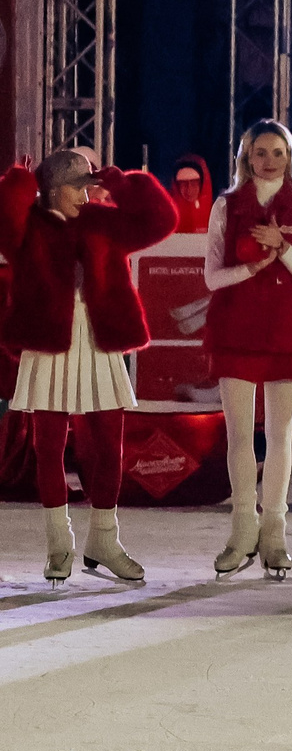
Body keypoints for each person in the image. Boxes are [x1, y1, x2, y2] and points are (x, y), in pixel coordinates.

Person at [0, 150, 178, 583]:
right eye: (77, 187)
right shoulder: (29, 229)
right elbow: (5, 218)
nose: (86, 194)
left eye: (87, 186)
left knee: (108, 447)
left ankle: (104, 538)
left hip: (99, 341)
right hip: (49, 344)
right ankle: (59, 546)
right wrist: (20, 181)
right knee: (49, 449)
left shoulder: (103, 221)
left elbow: (161, 220)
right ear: (54, 190)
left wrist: (120, 183)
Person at [203, 120, 292, 579]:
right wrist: (250, 269)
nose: (268, 161)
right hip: (236, 326)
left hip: (287, 328)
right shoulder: (226, 205)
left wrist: (282, 247)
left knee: (279, 435)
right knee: (238, 436)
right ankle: (241, 528)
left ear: (289, 157)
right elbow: (212, 276)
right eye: (260, 153)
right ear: (246, 158)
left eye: (277, 152)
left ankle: (274, 530)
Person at [168, 153, 216, 234]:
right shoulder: (168, 215)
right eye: (183, 184)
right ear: (176, 185)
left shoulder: (216, 213)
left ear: (202, 183)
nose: (189, 189)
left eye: (194, 183)